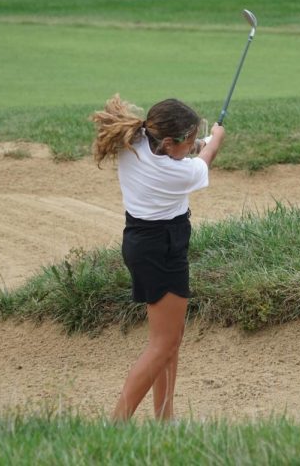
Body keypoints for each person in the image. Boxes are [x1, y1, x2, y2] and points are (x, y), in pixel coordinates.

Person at [90, 94, 225, 421]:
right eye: (189, 139)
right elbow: (202, 162)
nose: (193, 143)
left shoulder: (135, 140)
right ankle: (115, 425)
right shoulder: (176, 174)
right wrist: (215, 140)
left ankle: (165, 418)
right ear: (167, 141)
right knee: (163, 344)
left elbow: (182, 152)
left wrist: (197, 141)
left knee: (171, 338)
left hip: (143, 242)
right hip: (162, 246)